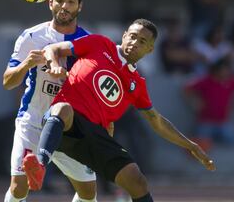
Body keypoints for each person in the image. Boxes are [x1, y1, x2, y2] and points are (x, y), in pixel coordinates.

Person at [22, 19, 216, 202]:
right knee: (62, 108)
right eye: (132, 36)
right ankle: (39, 165)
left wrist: (191, 146)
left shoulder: (137, 84)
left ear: (150, 49)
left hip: (97, 136)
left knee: (137, 180)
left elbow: (157, 121)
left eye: (142, 41)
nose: (134, 43)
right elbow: (53, 49)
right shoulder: (100, 44)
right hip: (66, 122)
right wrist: (54, 65)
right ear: (124, 36)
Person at [2, 0, 98, 202]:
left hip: (70, 126)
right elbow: (7, 81)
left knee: (88, 192)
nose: (64, 6)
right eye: (60, 0)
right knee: (19, 187)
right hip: (33, 121)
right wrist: (27, 64)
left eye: (71, 1)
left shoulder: (88, 42)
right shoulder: (31, 37)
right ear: (50, 3)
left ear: (80, 6)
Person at [184, 57, 234, 146]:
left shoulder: (232, 81)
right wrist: (194, 101)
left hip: (223, 122)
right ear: (216, 70)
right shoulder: (206, 80)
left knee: (232, 143)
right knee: (201, 146)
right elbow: (187, 87)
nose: (226, 72)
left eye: (228, 70)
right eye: (224, 70)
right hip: (206, 122)